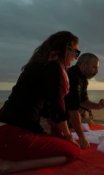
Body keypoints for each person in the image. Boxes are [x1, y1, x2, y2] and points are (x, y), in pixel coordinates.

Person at [0, 31, 81, 174]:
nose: (75, 58)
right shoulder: (54, 67)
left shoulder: (37, 65)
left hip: (5, 126)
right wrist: (69, 137)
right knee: (72, 151)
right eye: (76, 52)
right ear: (66, 48)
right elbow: (58, 108)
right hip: (13, 134)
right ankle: (9, 165)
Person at [65, 53, 104, 149]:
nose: (96, 71)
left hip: (65, 118)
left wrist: (98, 106)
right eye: (94, 67)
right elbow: (73, 110)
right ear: (83, 65)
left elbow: (83, 101)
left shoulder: (83, 80)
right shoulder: (72, 76)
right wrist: (82, 137)